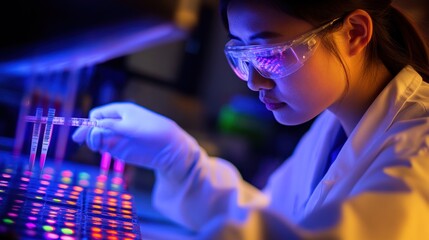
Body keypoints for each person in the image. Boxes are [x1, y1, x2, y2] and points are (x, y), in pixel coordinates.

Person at [72, 0, 429, 238]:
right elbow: (282, 220)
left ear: (354, 33)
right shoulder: (333, 126)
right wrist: (180, 162)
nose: (255, 80)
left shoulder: (420, 147)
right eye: (243, 54)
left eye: (271, 53)